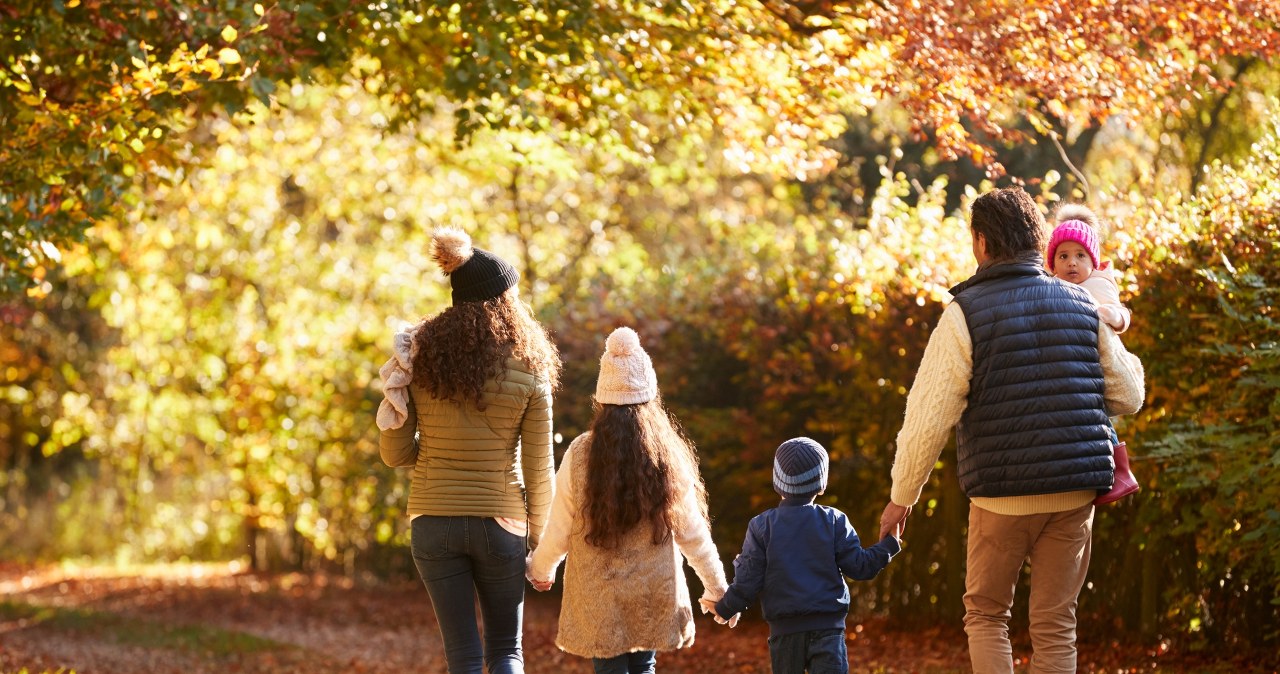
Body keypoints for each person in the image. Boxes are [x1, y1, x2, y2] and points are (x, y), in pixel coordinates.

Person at [878, 187, 1146, 674]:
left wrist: (903, 495)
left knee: (985, 615)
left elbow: (927, 415)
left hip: (1001, 498)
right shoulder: (1083, 305)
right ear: (1038, 240)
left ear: (981, 243)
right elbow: (1129, 395)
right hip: (1074, 493)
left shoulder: (965, 314)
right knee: (1056, 624)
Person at [379, 227, 561, 674]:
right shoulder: (531, 369)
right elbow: (539, 469)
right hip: (501, 522)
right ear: (505, 301)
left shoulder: (421, 360)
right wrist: (543, 544)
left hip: (433, 520)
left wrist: (435, 443)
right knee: (507, 651)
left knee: (462, 655)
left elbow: (396, 454)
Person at [526, 327, 727, 674]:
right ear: (650, 395)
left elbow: (560, 526)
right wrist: (719, 590)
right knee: (644, 666)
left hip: (599, 595)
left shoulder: (580, 454)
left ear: (602, 398)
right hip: (651, 594)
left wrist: (541, 569)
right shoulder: (666, 455)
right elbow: (693, 533)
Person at [701, 437, 901, 674]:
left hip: (785, 634)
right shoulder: (834, 521)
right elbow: (860, 567)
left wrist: (726, 608)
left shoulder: (762, 526)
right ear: (822, 484)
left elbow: (748, 581)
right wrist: (890, 544)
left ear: (778, 483)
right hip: (828, 631)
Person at [1047, 204, 1131, 335]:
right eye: (1063, 256)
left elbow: (1123, 314)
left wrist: (1114, 316)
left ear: (1093, 262)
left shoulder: (1100, 283)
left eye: (1080, 255)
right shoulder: (1050, 287)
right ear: (1054, 265)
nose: (1072, 263)